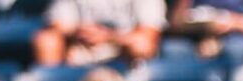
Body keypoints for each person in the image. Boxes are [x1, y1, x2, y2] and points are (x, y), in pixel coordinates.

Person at [32, 0, 163, 65]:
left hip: (123, 56)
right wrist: (81, 32)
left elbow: (149, 35)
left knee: (141, 46)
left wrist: (109, 37)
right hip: (81, 50)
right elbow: (57, 22)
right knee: (46, 40)